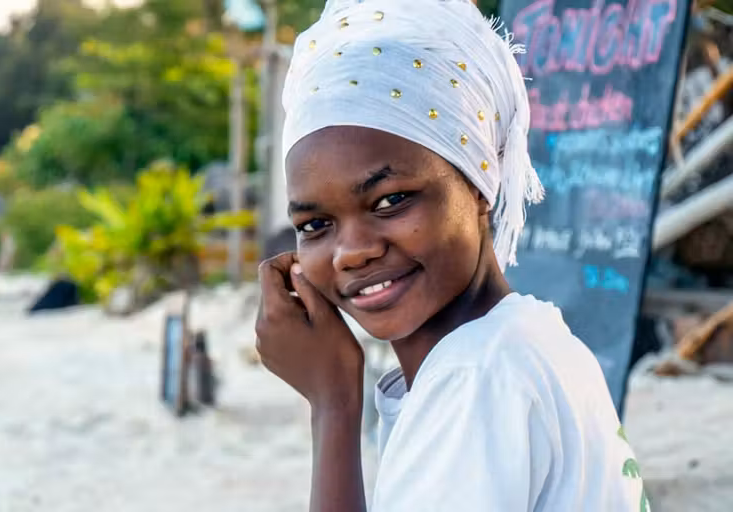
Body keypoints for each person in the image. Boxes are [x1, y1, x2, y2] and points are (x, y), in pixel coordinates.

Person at [255, 0, 650, 510]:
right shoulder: (527, 339)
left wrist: (333, 404)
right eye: (315, 225)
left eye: (390, 200)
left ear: (479, 182)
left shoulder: (474, 379)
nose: (352, 252)